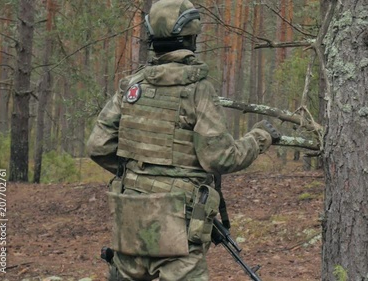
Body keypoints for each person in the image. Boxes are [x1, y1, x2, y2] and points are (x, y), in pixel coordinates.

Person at [87, 0, 280, 280]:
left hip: (130, 220)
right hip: (178, 227)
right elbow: (220, 157)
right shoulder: (198, 90)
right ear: (192, 37)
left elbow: (97, 146)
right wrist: (260, 138)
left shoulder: (132, 87)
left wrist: (138, 175)